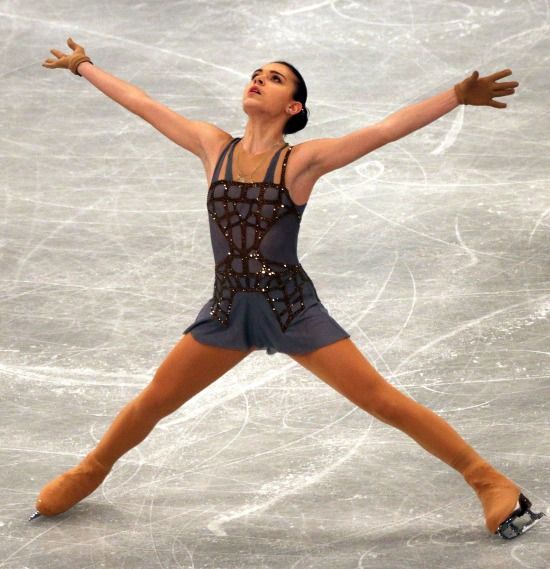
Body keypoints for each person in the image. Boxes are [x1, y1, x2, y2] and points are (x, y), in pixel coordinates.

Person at [30, 37, 545, 540]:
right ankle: (90, 471)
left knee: (381, 400)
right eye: (256, 74)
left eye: (274, 79)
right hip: (228, 310)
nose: (259, 80)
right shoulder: (212, 146)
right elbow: (143, 104)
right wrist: (83, 66)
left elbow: (385, 130)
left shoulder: (301, 162)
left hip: (291, 309)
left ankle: (489, 481)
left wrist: (455, 96)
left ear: (292, 106)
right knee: (154, 401)